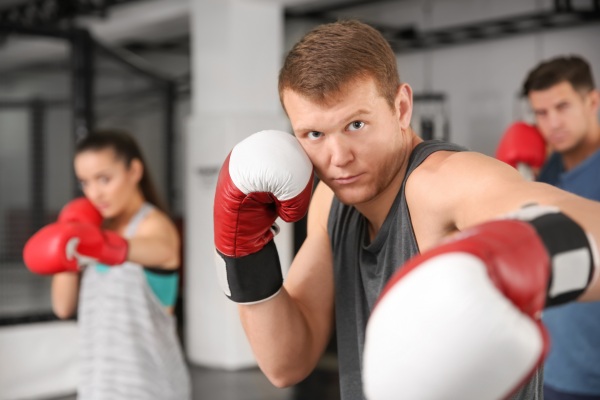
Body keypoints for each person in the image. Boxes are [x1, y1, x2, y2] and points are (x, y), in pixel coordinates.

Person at [212, 20, 600, 400]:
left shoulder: (442, 183)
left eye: (356, 125)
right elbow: (285, 364)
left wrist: (520, 257)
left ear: (400, 108)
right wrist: (244, 255)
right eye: (314, 134)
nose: (338, 158)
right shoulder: (329, 203)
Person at [23, 129, 191, 400]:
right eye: (85, 183)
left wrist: (100, 244)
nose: (95, 193)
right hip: (97, 385)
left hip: (148, 387)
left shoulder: (154, 226)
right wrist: (71, 240)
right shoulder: (92, 230)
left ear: (134, 171)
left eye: (104, 179)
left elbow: (161, 250)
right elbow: (63, 307)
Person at [522, 55, 600, 400]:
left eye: (562, 107)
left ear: (593, 101)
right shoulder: (546, 171)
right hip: (550, 371)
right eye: (541, 113)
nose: (553, 122)